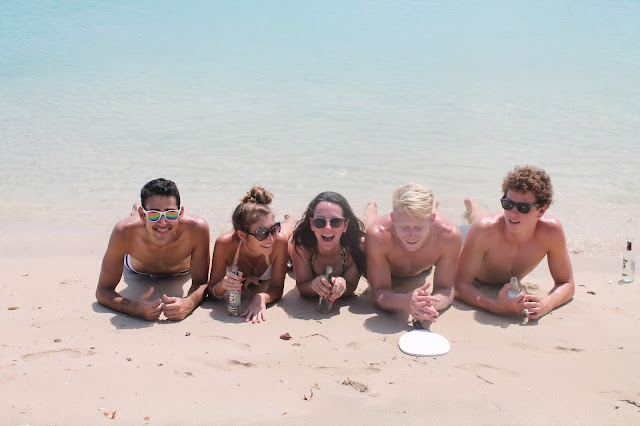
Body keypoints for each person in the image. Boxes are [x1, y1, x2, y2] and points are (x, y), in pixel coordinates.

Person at [455, 165, 575, 320]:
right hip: (465, 240)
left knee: (483, 220)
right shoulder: (484, 230)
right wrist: (494, 306)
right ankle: (455, 206)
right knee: (470, 224)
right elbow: (459, 285)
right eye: (508, 204)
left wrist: (546, 304)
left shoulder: (551, 232)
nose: (513, 212)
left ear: (541, 210)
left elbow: (566, 283)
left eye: (523, 208)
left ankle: (472, 205)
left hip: (488, 231)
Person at [96, 178, 211, 321]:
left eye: (170, 213)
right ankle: (136, 212)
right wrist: (133, 308)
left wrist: (188, 303)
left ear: (180, 213)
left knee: (152, 225)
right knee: (134, 224)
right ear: (143, 215)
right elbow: (103, 291)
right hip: (138, 268)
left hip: (182, 269)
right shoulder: (123, 232)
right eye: (154, 214)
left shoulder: (197, 229)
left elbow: (202, 283)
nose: (163, 222)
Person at [365, 183, 462, 322]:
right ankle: (371, 207)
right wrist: (403, 302)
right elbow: (379, 292)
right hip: (391, 268)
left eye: (418, 227)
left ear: (431, 220)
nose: (411, 236)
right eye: (404, 227)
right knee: (367, 228)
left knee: (428, 213)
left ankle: (436, 205)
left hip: (424, 264)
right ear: (393, 219)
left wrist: (429, 305)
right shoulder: (378, 235)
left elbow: (446, 289)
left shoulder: (449, 236)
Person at [208, 186, 292, 323]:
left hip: (282, 241)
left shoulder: (278, 241)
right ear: (242, 235)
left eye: (274, 228)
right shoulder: (225, 244)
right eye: (262, 233)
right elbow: (212, 293)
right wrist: (223, 285)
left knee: (287, 234)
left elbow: (277, 288)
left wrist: (262, 297)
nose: (271, 238)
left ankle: (289, 221)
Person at [290, 192, 369, 304]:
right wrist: (312, 286)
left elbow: (351, 286)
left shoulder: (356, 247)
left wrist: (344, 284)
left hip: (352, 238)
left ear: (345, 225)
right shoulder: (302, 244)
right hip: (295, 245)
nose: (327, 228)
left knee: (369, 229)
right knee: (288, 233)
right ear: (312, 224)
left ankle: (370, 207)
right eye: (320, 221)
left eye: (336, 221)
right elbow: (302, 285)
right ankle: (289, 221)